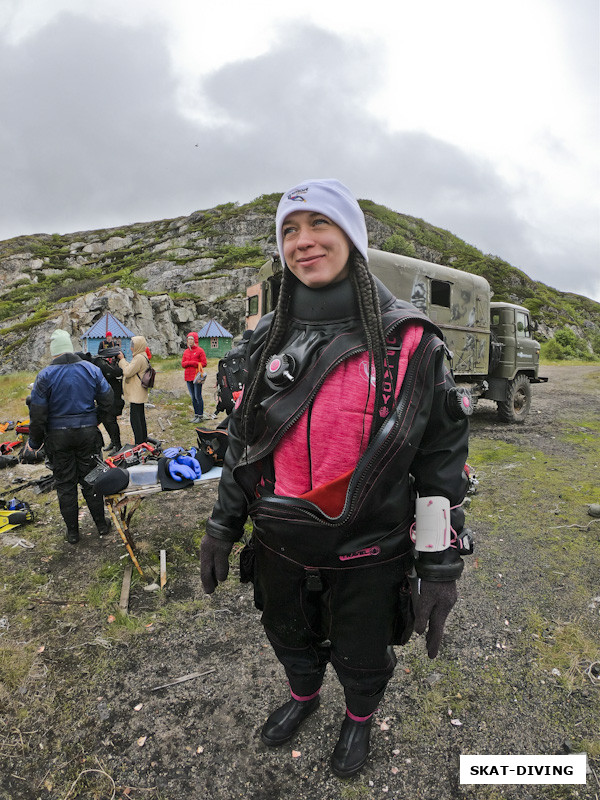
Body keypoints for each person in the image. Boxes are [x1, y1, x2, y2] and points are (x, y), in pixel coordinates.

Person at [200, 179, 472, 777]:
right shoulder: (261, 341)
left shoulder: (412, 343)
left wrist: (438, 565)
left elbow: (438, 468)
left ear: (351, 235)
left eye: (319, 224)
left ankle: (358, 716)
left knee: (363, 649)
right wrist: (223, 525)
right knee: (287, 634)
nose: (304, 241)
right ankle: (303, 695)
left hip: (370, 550)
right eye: (290, 230)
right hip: (279, 546)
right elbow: (244, 445)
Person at [25, 329, 113, 544]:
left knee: (65, 484)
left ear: (54, 352)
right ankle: (101, 525)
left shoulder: (45, 375)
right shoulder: (91, 369)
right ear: (70, 347)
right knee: (91, 480)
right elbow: (108, 400)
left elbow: (37, 415)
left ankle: (73, 533)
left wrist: (35, 442)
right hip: (87, 434)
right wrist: (95, 420)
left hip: (57, 437)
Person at [118, 335, 150, 445]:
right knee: (140, 417)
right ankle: (143, 440)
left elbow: (127, 372)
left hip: (136, 393)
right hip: (139, 392)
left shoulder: (139, 358)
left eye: (133, 345)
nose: (131, 347)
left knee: (135, 420)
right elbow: (131, 368)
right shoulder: (142, 355)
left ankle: (139, 442)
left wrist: (122, 360)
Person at [181, 332, 207, 423]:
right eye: (188, 339)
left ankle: (200, 416)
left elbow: (204, 363)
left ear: (195, 340)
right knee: (192, 397)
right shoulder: (186, 351)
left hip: (197, 377)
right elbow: (183, 364)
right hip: (188, 377)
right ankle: (196, 415)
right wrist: (190, 363)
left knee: (197, 396)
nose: (189, 341)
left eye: (191, 339)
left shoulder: (200, 350)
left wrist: (192, 363)